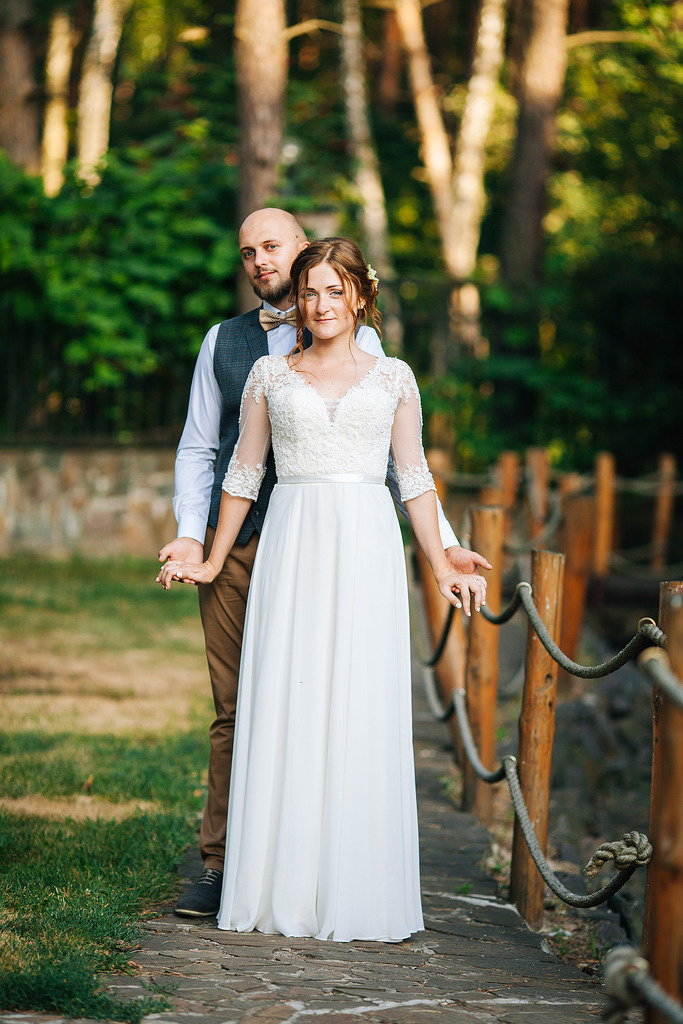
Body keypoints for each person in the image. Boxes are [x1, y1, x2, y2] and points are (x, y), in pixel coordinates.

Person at [158, 210, 491, 919]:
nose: (261, 262)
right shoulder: (242, 355)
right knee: (248, 706)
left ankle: (350, 873)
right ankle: (233, 868)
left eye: (272, 246)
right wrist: (203, 546)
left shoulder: (384, 366)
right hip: (276, 540)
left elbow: (410, 472)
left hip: (361, 544)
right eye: (247, 250)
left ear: (355, 293)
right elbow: (217, 459)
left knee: (351, 700)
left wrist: (445, 556)